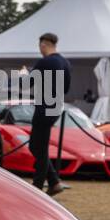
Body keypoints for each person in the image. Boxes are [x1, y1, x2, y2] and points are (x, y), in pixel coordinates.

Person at [23, 32, 72, 197]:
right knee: (38, 146)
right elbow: (66, 89)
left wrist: (24, 74)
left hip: (44, 107)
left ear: (43, 44)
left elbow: (27, 83)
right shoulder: (65, 63)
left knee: (38, 147)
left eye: (40, 46)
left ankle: (37, 187)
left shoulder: (45, 62)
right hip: (56, 107)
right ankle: (54, 181)